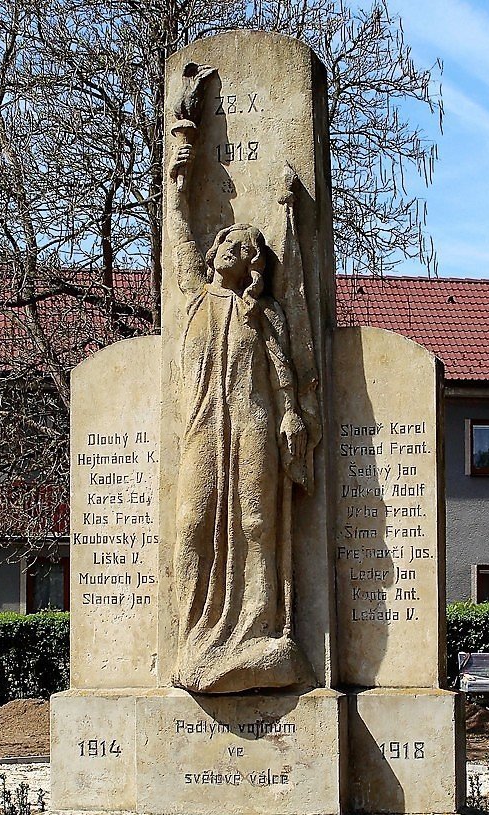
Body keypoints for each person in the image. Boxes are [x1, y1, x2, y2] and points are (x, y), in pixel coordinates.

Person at [166, 141, 316, 694]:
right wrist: (179, 186)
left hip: (254, 424)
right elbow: (178, 242)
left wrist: (293, 417)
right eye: (227, 238)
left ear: (254, 263)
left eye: (245, 244)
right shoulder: (194, 297)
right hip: (204, 428)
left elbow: (284, 374)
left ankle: (259, 628)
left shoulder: (265, 312)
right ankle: (193, 638)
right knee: (191, 525)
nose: (233, 244)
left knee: (256, 524)